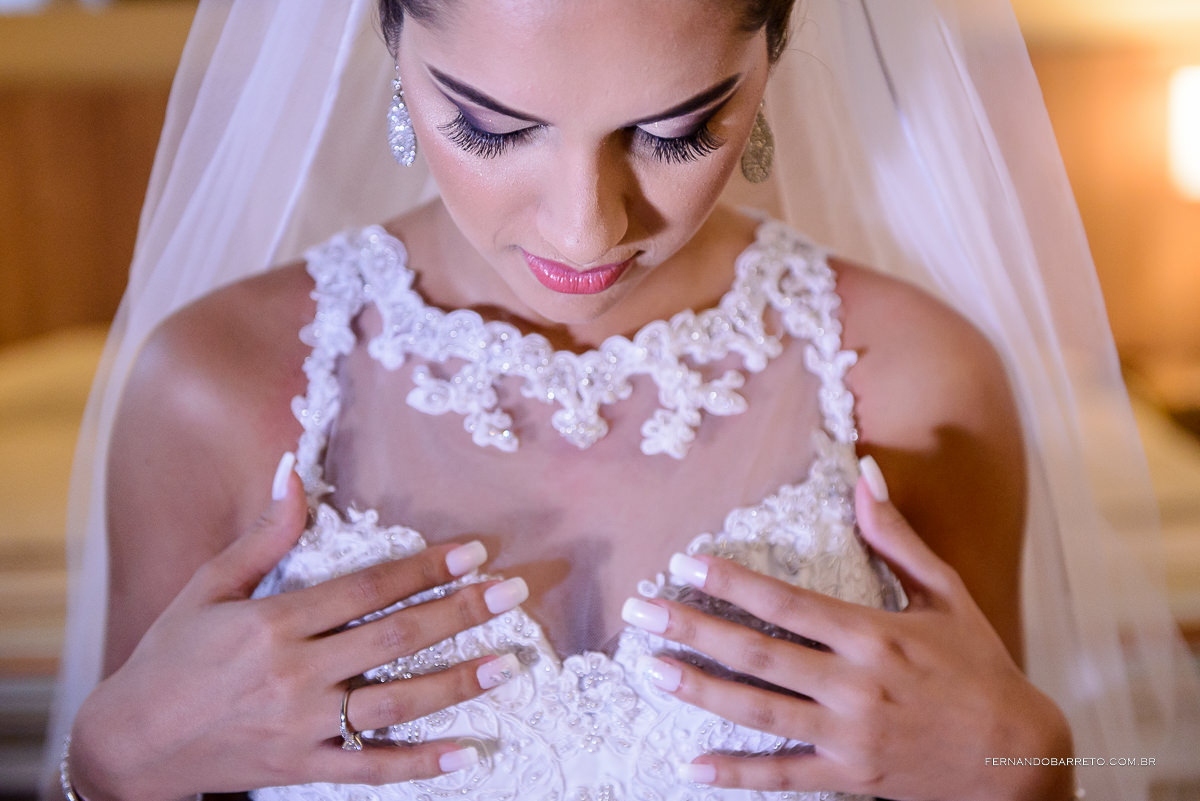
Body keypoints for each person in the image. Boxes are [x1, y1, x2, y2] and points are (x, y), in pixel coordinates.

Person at [43, 0, 1197, 799]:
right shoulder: (214, 387)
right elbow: (118, 768)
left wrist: (1028, 769)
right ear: (390, 45)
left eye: (676, 131)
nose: (586, 229)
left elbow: (1007, 766)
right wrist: (105, 769)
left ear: (772, 59)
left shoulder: (914, 378)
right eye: (492, 127)